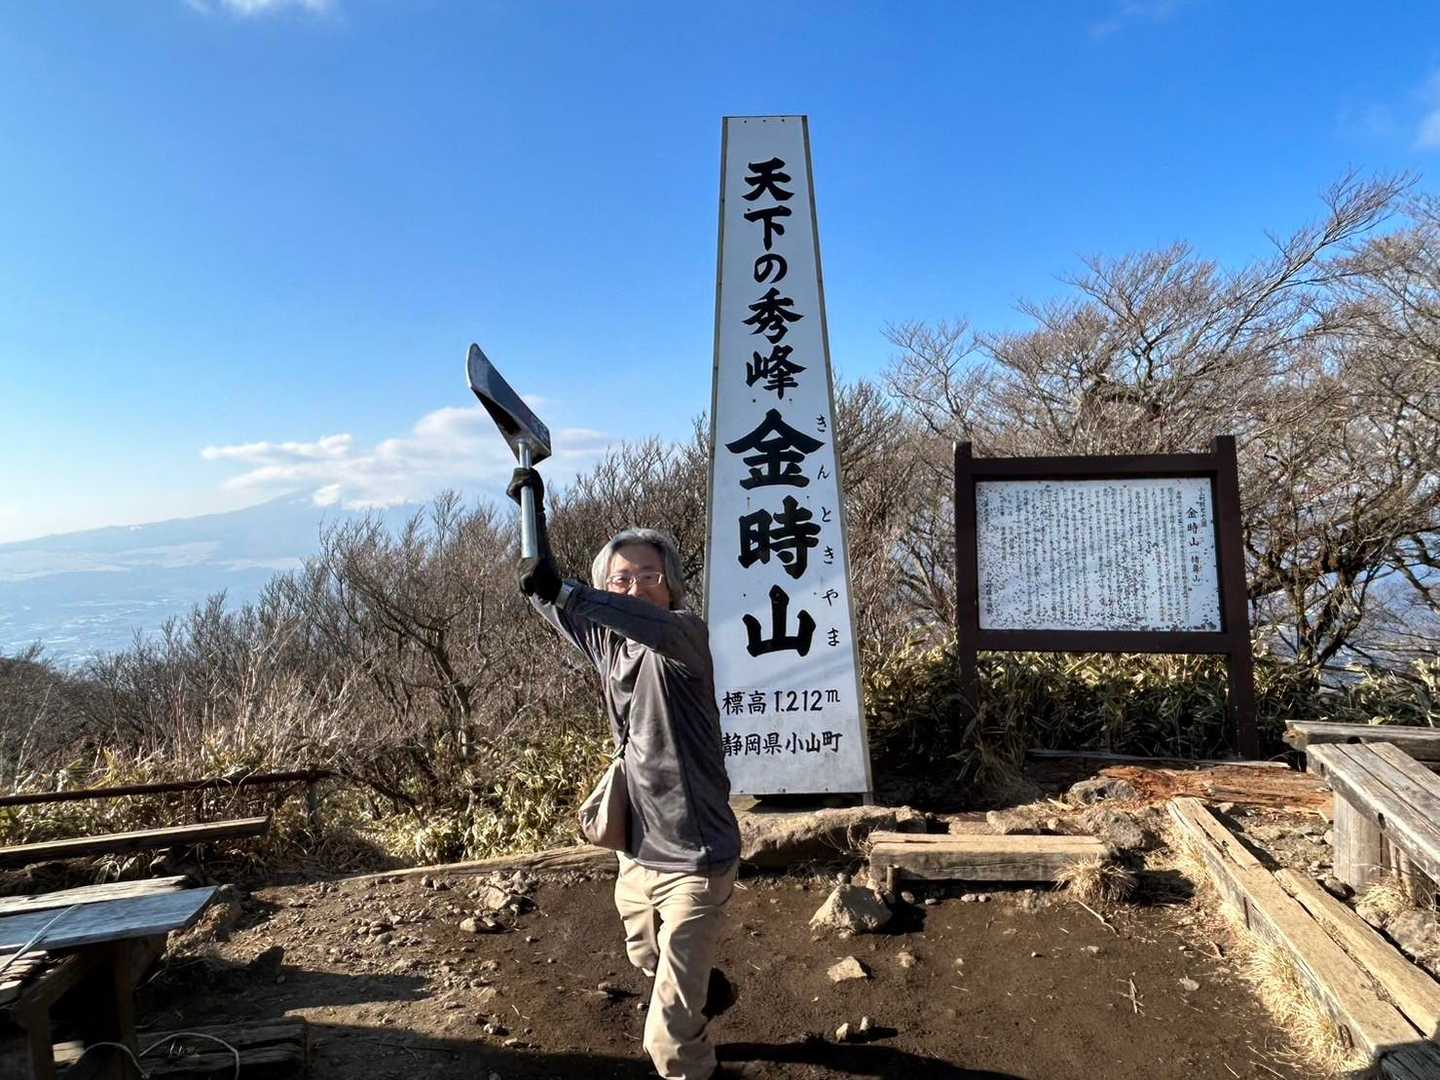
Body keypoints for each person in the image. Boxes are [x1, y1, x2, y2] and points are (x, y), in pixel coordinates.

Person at [508, 467, 742, 1080]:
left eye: (648, 576)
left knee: (666, 1039)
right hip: (637, 852)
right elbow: (544, 593)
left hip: (695, 859)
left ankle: (688, 1050)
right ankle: (701, 989)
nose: (634, 588)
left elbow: (577, 599)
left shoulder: (684, 636)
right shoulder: (611, 645)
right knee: (644, 950)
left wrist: (569, 590)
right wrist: (532, 508)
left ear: (672, 587)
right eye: (620, 579)